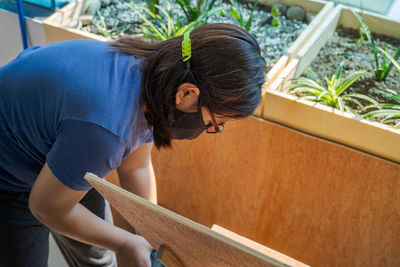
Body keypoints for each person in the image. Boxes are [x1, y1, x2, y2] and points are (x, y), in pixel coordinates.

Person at [0, 23, 266, 266]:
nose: (212, 128)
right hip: (9, 176)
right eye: (215, 122)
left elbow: (136, 167)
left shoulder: (155, 76)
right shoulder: (106, 130)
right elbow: (46, 207)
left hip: (62, 145)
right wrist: (125, 242)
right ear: (187, 93)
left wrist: (151, 233)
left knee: (99, 256)